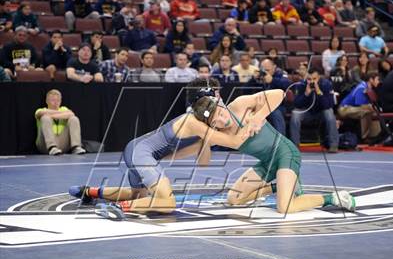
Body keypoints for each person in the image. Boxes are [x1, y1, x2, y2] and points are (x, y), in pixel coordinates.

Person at [70, 78, 355, 217]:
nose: (219, 120)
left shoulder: (240, 105)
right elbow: (212, 152)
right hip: (262, 163)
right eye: (212, 120)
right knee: (231, 200)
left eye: (218, 113)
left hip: (284, 154)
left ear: (220, 101)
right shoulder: (204, 125)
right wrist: (209, 140)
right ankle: (275, 185)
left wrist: (257, 117)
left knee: (285, 207)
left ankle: (330, 199)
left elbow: (280, 93)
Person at [290, 68, 339, 152]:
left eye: (314, 79)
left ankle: (333, 145)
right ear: (306, 78)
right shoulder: (301, 85)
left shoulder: (326, 84)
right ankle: (295, 145)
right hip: (307, 113)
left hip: (321, 113)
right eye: (309, 79)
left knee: (329, 112)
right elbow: (296, 104)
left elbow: (328, 105)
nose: (312, 82)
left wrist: (319, 92)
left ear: (319, 77)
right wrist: (306, 94)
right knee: (295, 114)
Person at [35, 89, 86, 156]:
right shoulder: (41, 110)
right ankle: (52, 147)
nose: (56, 103)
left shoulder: (64, 109)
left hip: (63, 142)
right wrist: (62, 114)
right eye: (53, 100)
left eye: (58, 100)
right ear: (47, 101)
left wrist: (52, 115)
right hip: (44, 145)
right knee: (45, 118)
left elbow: (71, 114)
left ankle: (76, 147)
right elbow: (41, 113)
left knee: (74, 119)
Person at [248, 58, 290, 135]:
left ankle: (280, 140)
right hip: (260, 105)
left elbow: (287, 84)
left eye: (268, 70)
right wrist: (252, 79)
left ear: (274, 67)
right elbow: (245, 91)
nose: (265, 73)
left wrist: (272, 80)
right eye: (264, 70)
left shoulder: (280, 73)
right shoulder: (260, 75)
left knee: (275, 113)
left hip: (277, 106)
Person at [338, 72, 382, 142]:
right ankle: (364, 137)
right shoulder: (361, 88)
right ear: (371, 80)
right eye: (377, 79)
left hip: (352, 108)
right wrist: (372, 108)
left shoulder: (368, 88)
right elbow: (360, 105)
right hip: (344, 109)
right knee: (366, 112)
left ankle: (375, 136)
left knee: (373, 111)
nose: (379, 82)